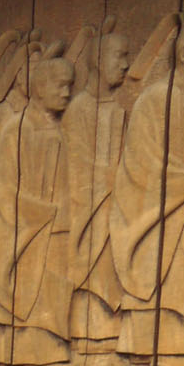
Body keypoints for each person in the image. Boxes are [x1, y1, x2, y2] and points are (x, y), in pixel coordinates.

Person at [111, 13, 184, 366]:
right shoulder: (154, 99)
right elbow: (143, 162)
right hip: (166, 208)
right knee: (172, 259)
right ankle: (158, 346)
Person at [0, 55, 78, 366]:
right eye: (60, 86)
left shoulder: (56, 128)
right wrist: (43, 213)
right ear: (39, 88)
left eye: (70, 87)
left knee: (53, 285)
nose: (66, 93)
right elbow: (3, 188)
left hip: (58, 223)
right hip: (35, 225)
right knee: (34, 286)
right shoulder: (18, 128)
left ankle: (43, 350)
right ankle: (36, 357)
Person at [66, 28, 132, 346]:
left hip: (114, 211)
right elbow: (72, 166)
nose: (126, 65)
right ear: (99, 60)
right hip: (88, 214)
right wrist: (112, 178)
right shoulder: (78, 109)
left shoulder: (116, 110)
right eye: (120, 56)